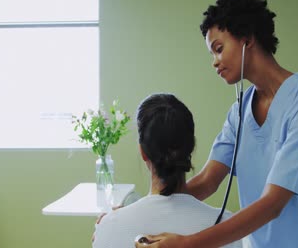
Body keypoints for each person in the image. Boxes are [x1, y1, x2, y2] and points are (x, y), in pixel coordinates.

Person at [135, 0, 298, 248]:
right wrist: (131, 216)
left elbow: (273, 204)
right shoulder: (240, 110)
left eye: (218, 48)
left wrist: (188, 244)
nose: (214, 62)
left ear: (247, 40)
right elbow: (206, 181)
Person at [92, 93, 242, 248]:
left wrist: (119, 218)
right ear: (190, 147)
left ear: (143, 152)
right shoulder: (231, 229)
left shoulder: (108, 227)